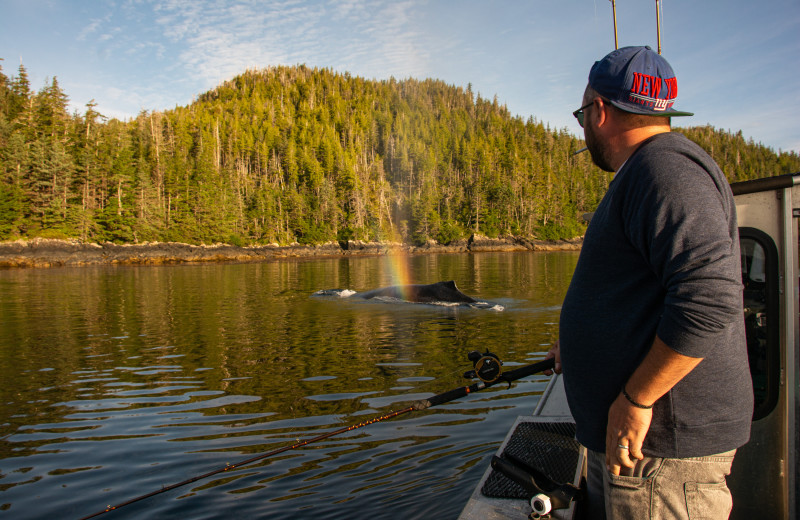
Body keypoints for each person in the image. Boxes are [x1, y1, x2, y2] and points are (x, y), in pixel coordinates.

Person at [547, 46, 753, 519]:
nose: (583, 126)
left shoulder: (664, 171)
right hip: (644, 453)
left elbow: (710, 297)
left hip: (658, 455)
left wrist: (637, 398)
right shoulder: (652, 171)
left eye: (582, 113)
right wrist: (579, 347)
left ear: (599, 110)